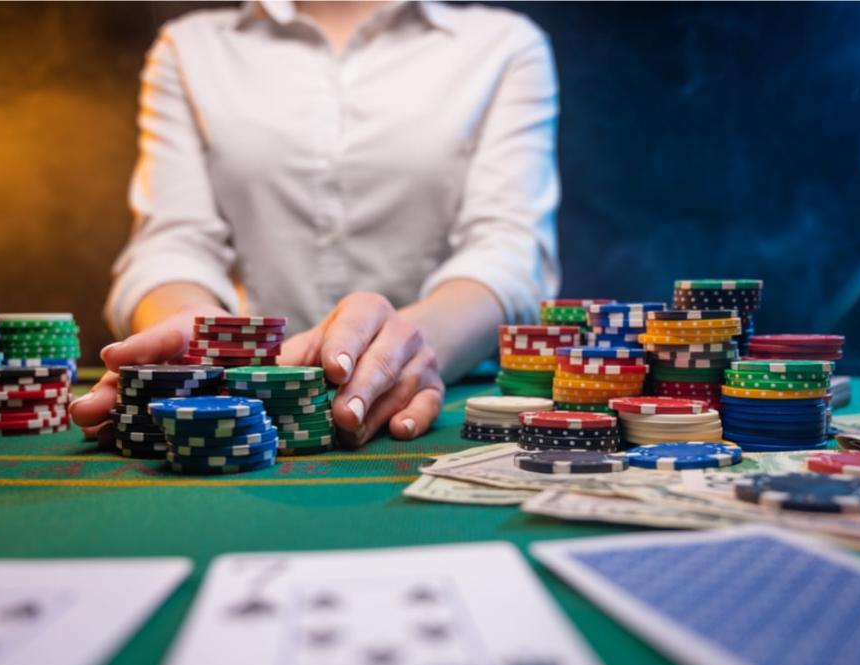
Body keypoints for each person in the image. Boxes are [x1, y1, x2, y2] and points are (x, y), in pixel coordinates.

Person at [70, 0, 560, 447]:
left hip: (424, 403)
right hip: (243, 409)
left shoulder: (504, 44)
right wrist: (192, 338)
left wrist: (410, 344)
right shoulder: (189, 46)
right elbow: (173, 242)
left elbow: (509, 251)